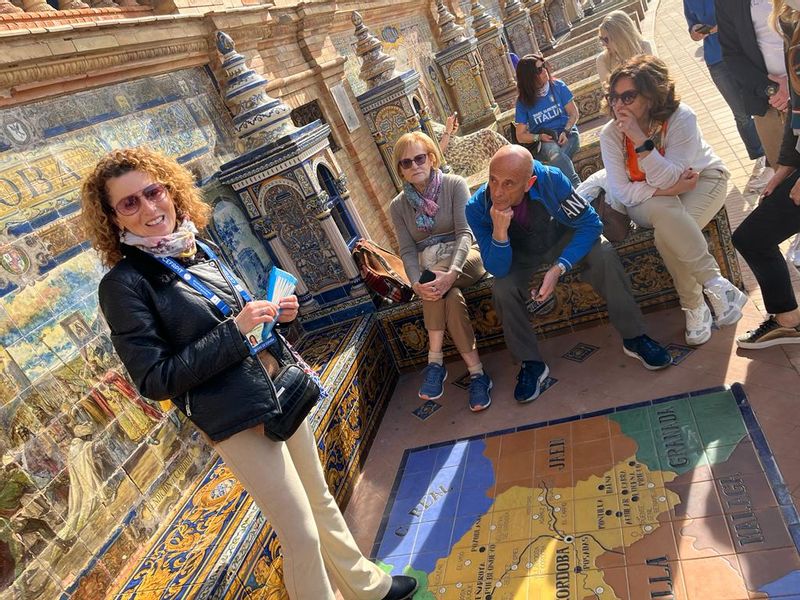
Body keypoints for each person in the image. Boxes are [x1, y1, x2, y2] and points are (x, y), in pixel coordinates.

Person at [80, 148, 417, 600]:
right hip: (235, 418)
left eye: (153, 192)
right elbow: (155, 379)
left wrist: (278, 315)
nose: (149, 208)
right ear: (114, 219)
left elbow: (239, 319)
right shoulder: (124, 285)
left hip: (277, 388)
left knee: (320, 502)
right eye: (129, 204)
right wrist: (236, 331)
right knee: (300, 533)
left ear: (170, 190)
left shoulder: (201, 248)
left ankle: (366, 588)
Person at [465, 145, 672, 403]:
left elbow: (591, 224)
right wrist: (499, 232)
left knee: (604, 254)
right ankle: (532, 365)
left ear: (529, 183)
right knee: (502, 289)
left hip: (558, 238)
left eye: (509, 184)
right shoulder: (476, 208)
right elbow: (496, 268)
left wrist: (559, 267)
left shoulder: (552, 179)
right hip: (516, 254)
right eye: (493, 180)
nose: (497, 192)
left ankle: (635, 337)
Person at [599, 55, 747, 346]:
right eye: (613, 97)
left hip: (703, 180)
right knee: (665, 210)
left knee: (668, 238)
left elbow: (674, 176)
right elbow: (623, 191)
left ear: (652, 94)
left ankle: (695, 307)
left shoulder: (681, 118)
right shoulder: (610, 135)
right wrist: (666, 190)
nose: (618, 105)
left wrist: (641, 141)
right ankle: (716, 284)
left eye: (628, 96)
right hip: (648, 201)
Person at [389, 132, 492, 411]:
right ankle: (478, 374)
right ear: (400, 169)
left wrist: (452, 271)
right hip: (433, 271)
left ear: (432, 157)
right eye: (406, 163)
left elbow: (464, 233)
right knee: (450, 296)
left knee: (439, 282)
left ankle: (434, 362)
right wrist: (414, 283)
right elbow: (408, 251)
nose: (414, 166)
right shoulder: (398, 206)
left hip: (466, 259)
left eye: (419, 158)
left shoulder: (454, 185)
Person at [733, 0, 800, 349]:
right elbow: (798, 112)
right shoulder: (791, 24)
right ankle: (788, 319)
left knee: (751, 237)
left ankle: (789, 320)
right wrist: (785, 168)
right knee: (751, 237)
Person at [684, 0, 769, 193]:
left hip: (741, 51)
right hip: (716, 61)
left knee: (761, 102)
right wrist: (696, 32)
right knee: (740, 113)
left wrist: (716, 28)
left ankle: (774, 151)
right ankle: (760, 157)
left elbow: (743, 14)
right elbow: (692, 30)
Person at [716, 0, 789, 171]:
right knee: (784, 177)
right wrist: (770, 88)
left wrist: (793, 84)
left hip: (796, 85)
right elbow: (732, 55)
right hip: (768, 102)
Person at [514, 54, 582, 186]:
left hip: (568, 134)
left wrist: (566, 131)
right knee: (553, 152)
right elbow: (520, 135)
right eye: (539, 70)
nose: (544, 70)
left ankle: (571, 189)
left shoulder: (558, 86)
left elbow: (574, 114)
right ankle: (577, 187)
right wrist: (539, 137)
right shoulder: (523, 102)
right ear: (529, 77)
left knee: (556, 157)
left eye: (544, 66)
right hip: (545, 141)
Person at [596, 10, 655, 84]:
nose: (603, 44)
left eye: (606, 39)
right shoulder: (603, 60)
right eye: (601, 39)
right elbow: (608, 91)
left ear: (620, 37)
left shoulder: (644, 47)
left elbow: (653, 80)